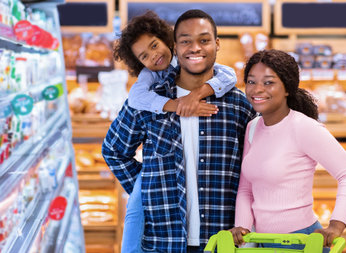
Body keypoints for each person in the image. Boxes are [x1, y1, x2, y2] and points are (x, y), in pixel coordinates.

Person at [102, 9, 255, 253]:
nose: (195, 48)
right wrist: (147, 194)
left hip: (223, 241)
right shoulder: (149, 102)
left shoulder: (238, 104)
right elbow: (113, 151)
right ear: (175, 46)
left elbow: (256, 167)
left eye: (204, 40)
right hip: (164, 241)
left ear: (217, 44)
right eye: (185, 41)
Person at [229, 49, 346, 251]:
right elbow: (246, 188)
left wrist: (336, 226)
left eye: (268, 82)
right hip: (263, 242)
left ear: (287, 88)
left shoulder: (304, 127)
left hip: (301, 243)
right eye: (251, 81)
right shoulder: (253, 127)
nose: (257, 89)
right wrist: (242, 229)